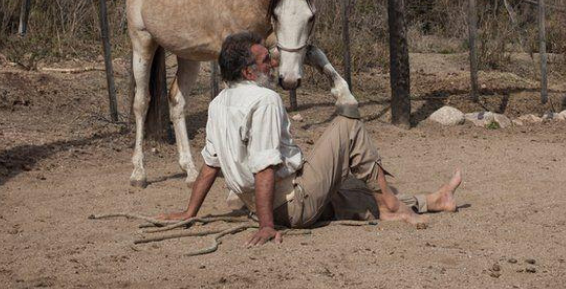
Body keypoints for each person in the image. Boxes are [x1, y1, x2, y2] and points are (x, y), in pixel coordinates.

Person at [158, 31, 462, 246]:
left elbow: (210, 166)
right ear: (249, 72)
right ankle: (393, 207)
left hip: (270, 204)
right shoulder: (263, 100)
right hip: (289, 206)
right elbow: (264, 167)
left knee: (353, 193)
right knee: (348, 125)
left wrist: (189, 212)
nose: (272, 64)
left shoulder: (217, 104)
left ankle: (434, 200)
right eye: (265, 60)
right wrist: (267, 226)